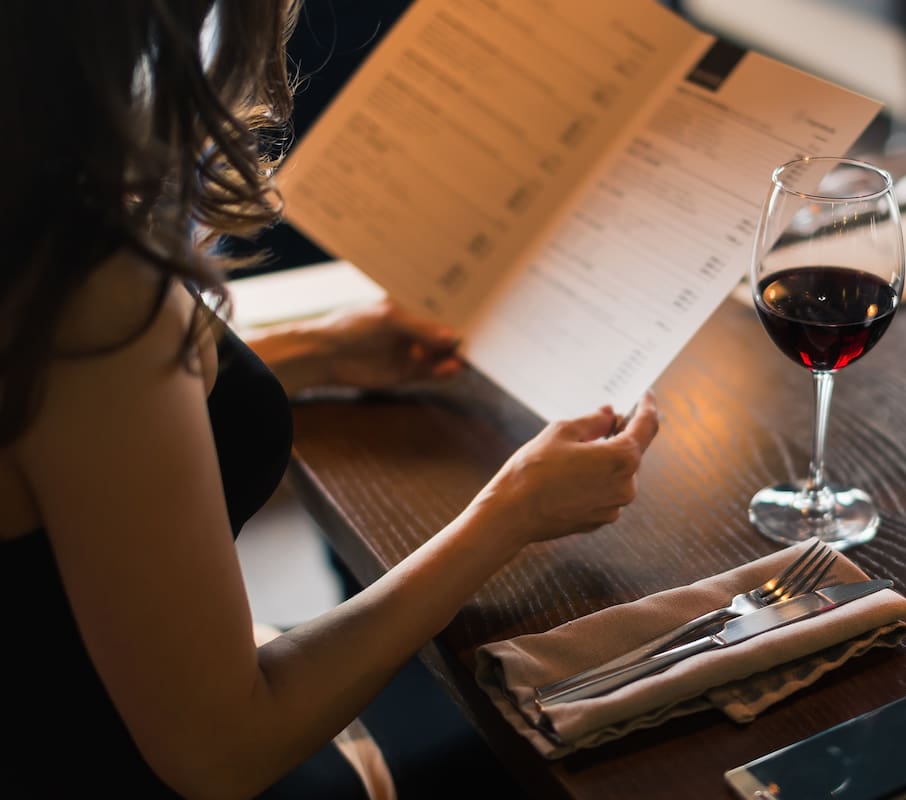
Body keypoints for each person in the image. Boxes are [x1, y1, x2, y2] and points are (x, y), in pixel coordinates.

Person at [0, 2, 659, 797]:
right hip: (111, 751)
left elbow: (68, 432)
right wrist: (512, 513)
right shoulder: (93, 292)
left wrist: (320, 349)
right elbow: (224, 750)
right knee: (547, 729)